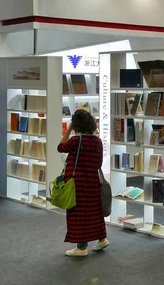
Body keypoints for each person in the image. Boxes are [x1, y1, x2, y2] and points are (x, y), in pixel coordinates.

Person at [57, 109, 109, 257]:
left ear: (76, 124)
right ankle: (102, 238)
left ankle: (81, 247)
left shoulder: (75, 140)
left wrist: (68, 130)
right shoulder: (98, 141)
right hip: (93, 182)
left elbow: (60, 147)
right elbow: (98, 162)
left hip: (77, 183)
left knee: (77, 214)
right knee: (94, 211)